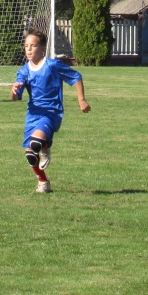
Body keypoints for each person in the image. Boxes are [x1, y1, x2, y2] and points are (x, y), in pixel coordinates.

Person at [10, 29, 90, 193]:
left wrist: (81, 100)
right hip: (33, 114)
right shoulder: (24, 71)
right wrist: (14, 90)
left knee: (36, 144)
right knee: (30, 155)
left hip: (51, 112)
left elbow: (76, 77)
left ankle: (45, 147)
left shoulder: (52, 65)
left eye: (33, 46)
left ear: (43, 48)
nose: (29, 50)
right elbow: (16, 98)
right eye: (26, 46)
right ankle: (43, 181)